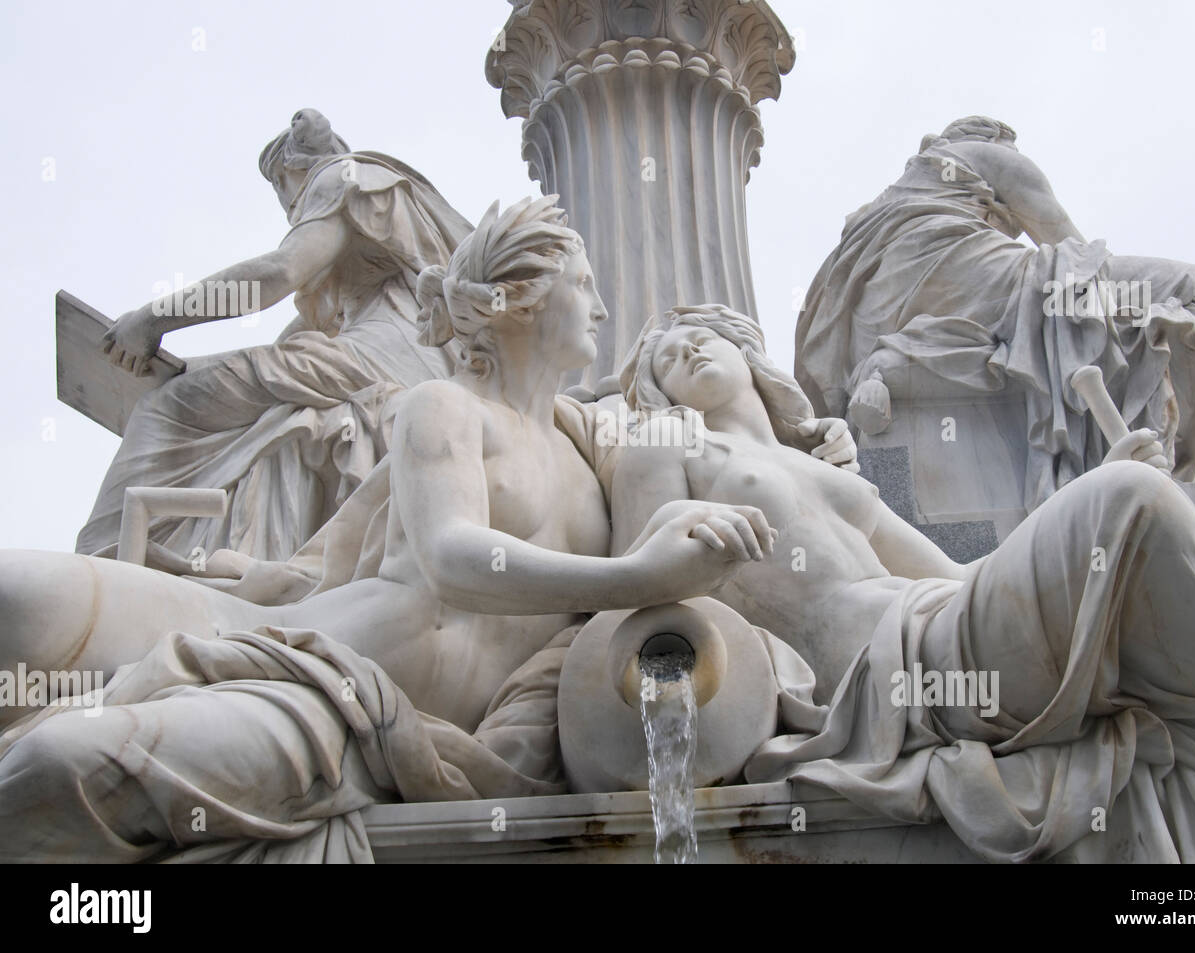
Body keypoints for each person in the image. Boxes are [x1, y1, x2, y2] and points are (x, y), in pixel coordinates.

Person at [0, 197, 849, 862]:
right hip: (280, 638)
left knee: (56, 768)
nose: (601, 306)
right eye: (584, 284)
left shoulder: (598, 447)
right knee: (18, 597)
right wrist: (639, 578)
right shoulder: (442, 407)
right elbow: (454, 559)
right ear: (518, 297)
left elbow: (710, 446)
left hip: (346, 714)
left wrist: (813, 440)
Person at [615, 303, 1195, 862]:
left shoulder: (820, 462)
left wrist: (1078, 513)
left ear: (744, 350)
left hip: (941, 612)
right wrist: (685, 522)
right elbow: (635, 587)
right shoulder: (665, 445)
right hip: (893, 667)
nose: (689, 354)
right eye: (669, 360)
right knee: (1136, 498)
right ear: (660, 392)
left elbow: (957, 574)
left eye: (701, 338)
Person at [77, 108, 473, 562]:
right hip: (411, 358)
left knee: (166, 408)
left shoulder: (339, 178)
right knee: (208, 392)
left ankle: (101, 558)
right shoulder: (372, 229)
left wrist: (152, 319)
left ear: (293, 173)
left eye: (282, 189)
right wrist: (184, 366)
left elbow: (276, 274)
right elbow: (283, 346)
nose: (289, 210)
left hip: (392, 353)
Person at [794, 116, 1195, 508]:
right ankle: (1167, 453)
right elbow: (1076, 251)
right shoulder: (993, 156)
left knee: (1094, 303)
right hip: (995, 283)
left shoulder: (890, 202)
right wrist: (1118, 312)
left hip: (902, 309)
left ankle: (1138, 402)